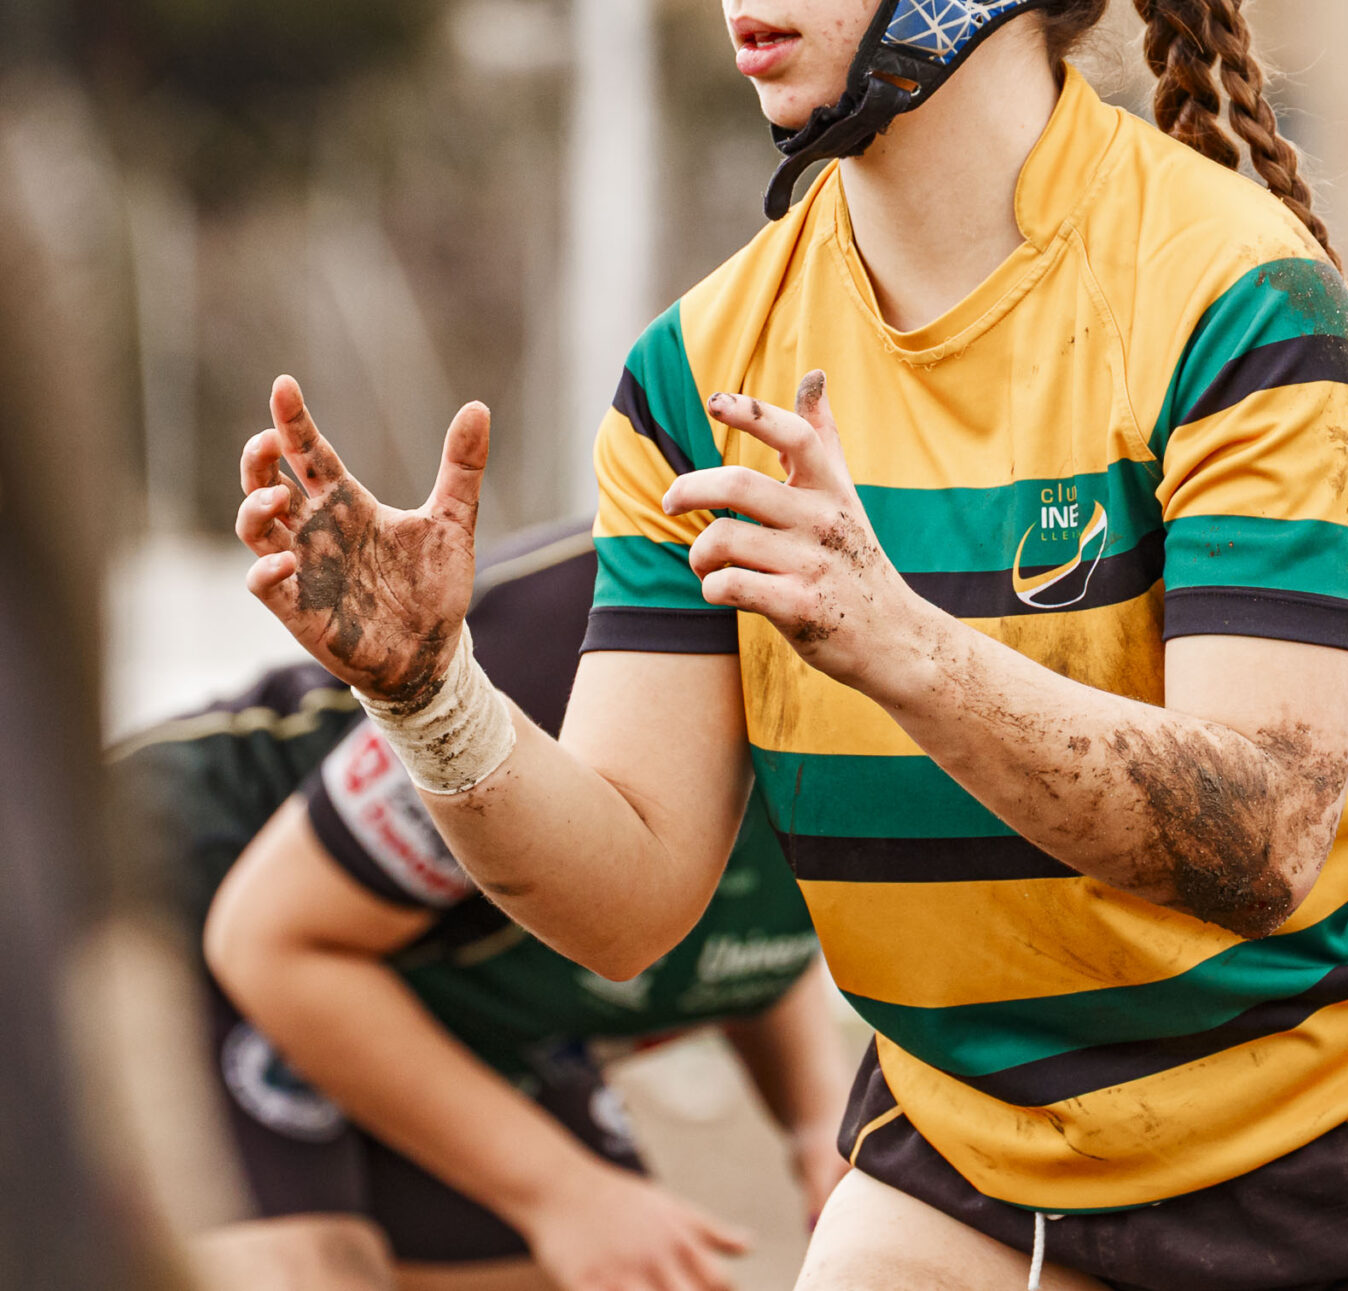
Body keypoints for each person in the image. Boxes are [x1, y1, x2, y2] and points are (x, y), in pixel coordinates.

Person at [231, 0, 1348, 1291]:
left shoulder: (1235, 297)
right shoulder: (697, 375)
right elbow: (631, 902)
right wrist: (432, 692)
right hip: (988, 1148)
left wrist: (896, 642)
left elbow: (1262, 834)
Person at [118, 524, 850, 1291]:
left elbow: (749, 897)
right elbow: (271, 939)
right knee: (312, 1270)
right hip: (200, 893)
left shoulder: (929, 660)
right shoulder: (595, 636)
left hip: (435, 967)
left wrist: (816, 1117)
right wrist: (562, 1192)